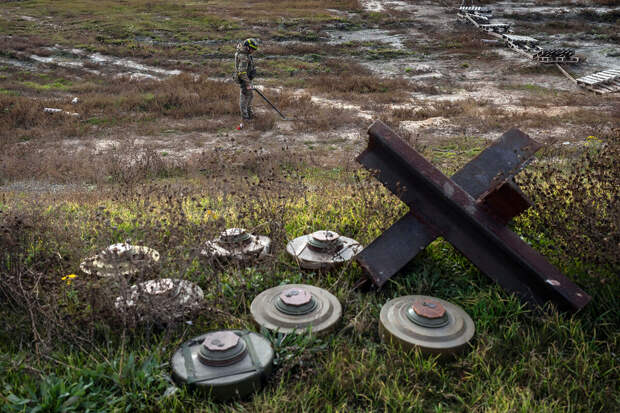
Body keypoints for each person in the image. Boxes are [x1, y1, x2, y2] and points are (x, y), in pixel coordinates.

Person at [234, 38, 258, 129]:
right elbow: (242, 72)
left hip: (248, 79)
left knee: (250, 96)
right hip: (244, 80)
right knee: (244, 99)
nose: (253, 51)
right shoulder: (243, 57)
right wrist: (247, 83)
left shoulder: (246, 54)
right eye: (252, 49)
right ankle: (245, 118)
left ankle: (250, 114)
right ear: (247, 47)